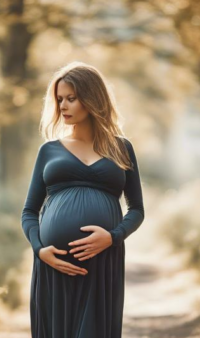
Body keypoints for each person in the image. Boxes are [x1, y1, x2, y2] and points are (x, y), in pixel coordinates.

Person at [21, 61, 145, 338]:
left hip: (102, 261)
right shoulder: (49, 151)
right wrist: (40, 250)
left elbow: (136, 210)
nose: (62, 106)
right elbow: (29, 211)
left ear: (91, 99)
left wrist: (112, 237)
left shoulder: (121, 148)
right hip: (55, 263)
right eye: (59, 99)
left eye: (71, 99)